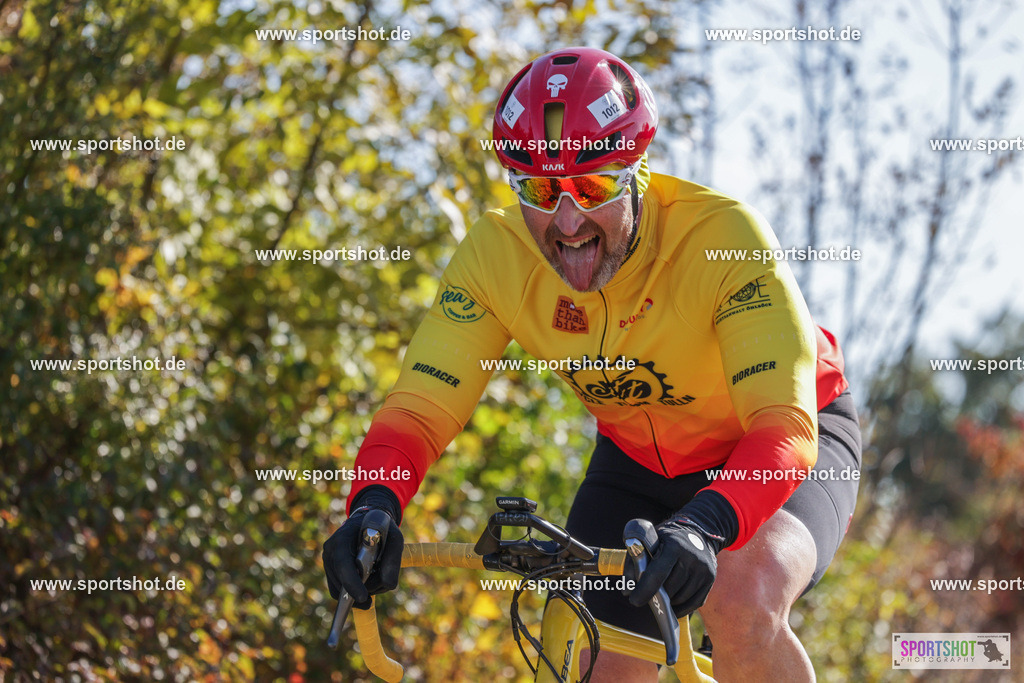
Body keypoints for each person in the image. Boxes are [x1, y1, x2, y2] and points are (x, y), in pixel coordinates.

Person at [323, 46, 861, 681]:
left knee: (742, 598)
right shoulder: (495, 257)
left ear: (637, 170)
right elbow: (418, 410)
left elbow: (782, 427)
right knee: (601, 659)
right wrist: (373, 503)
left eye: (595, 185)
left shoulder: (722, 240)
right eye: (541, 190)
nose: (568, 220)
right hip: (637, 460)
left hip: (784, 442)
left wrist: (706, 526)